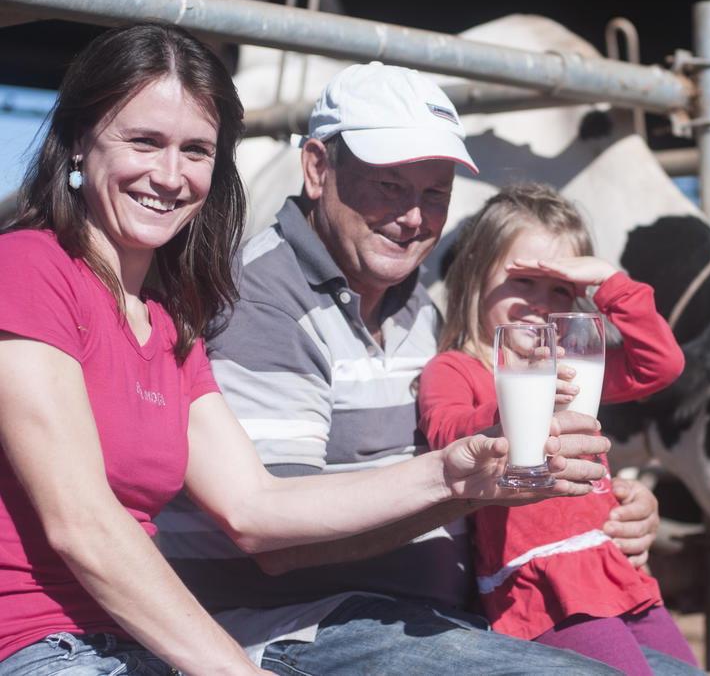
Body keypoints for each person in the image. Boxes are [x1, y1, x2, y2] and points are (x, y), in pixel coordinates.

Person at [0, 26, 604, 676]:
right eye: (144, 142)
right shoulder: (28, 267)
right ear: (78, 142)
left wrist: (459, 473)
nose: (170, 176)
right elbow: (83, 525)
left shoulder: (167, 318)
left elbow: (253, 503)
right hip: (49, 647)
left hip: (141, 646)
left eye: (197, 150)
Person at [157, 62, 668, 674]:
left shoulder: (421, 305)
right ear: (318, 169)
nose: (413, 218)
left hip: (432, 618)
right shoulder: (264, 302)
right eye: (389, 186)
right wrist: (467, 491)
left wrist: (609, 505)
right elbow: (279, 539)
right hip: (299, 625)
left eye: (434, 194)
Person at [418, 183, 700, 674]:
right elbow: (446, 433)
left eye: (562, 289)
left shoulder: (571, 366)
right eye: (524, 280)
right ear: (474, 275)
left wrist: (610, 282)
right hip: (544, 583)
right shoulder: (455, 368)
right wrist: (511, 412)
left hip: (617, 568)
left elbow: (661, 365)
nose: (541, 303)